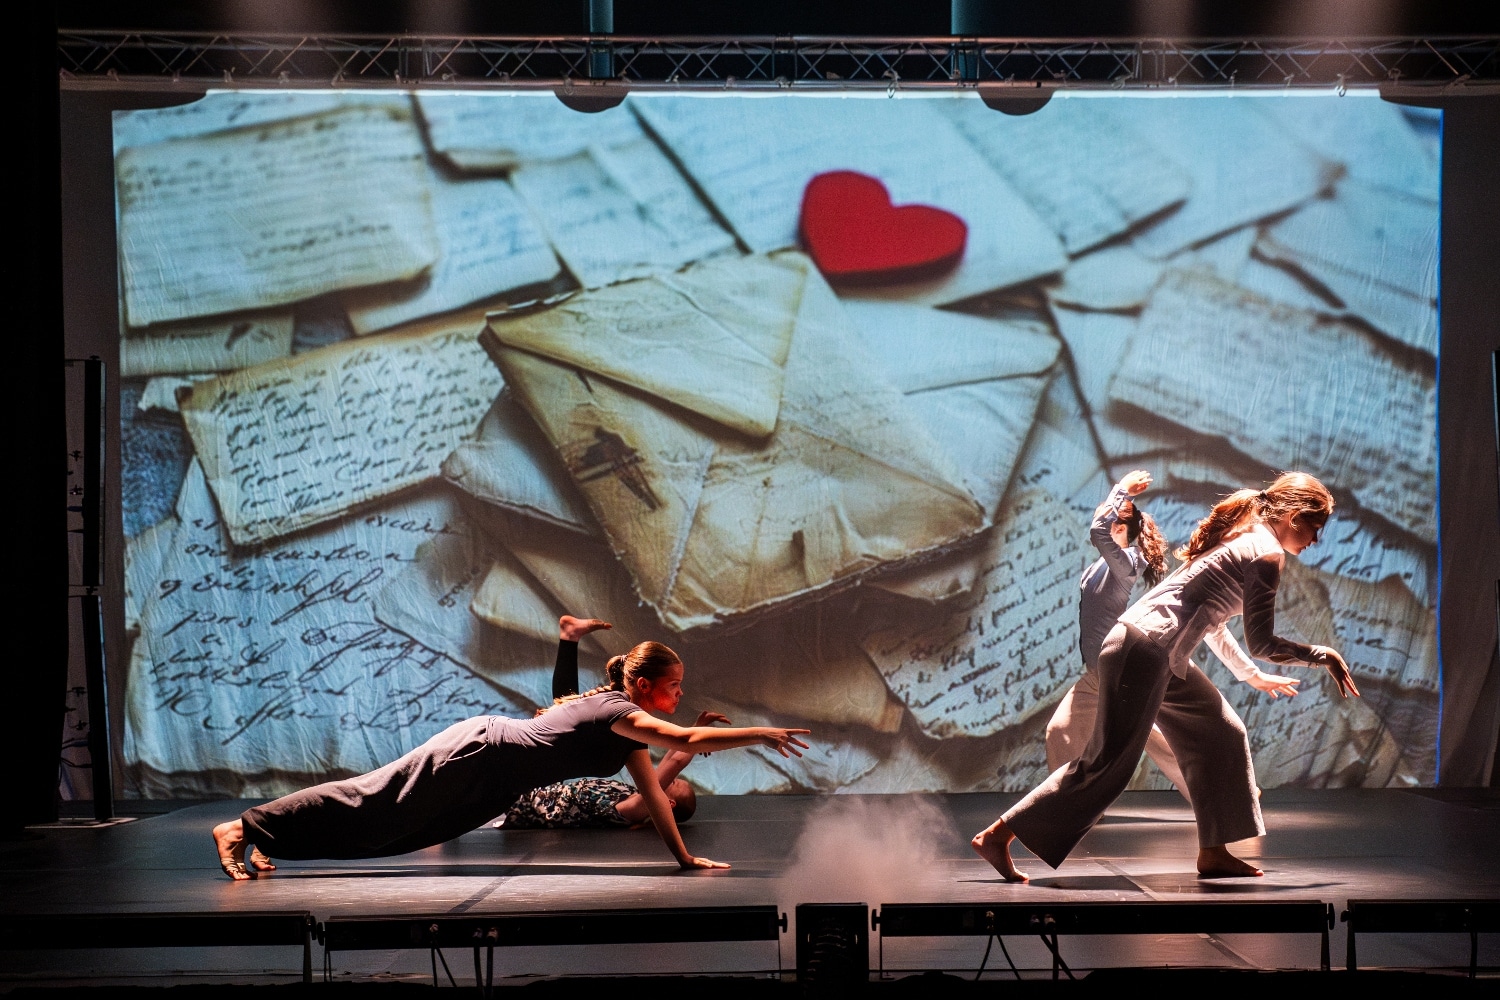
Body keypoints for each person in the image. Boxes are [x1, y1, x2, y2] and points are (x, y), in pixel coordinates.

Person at [973, 472, 1360, 882]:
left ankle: (1214, 850)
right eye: (1315, 528)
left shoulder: (1245, 537)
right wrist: (1323, 655)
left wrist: (1251, 676)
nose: (1316, 540)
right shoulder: (1264, 553)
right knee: (1108, 766)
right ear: (1295, 516)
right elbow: (1262, 642)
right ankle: (998, 835)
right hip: (1144, 649)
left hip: (1156, 651)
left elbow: (1212, 623)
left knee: (1221, 732)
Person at [211, 617, 811, 879]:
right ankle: (243, 826)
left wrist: (682, 860)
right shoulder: (618, 710)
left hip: (491, 781)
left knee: (385, 834)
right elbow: (683, 740)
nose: (679, 697)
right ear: (644, 685)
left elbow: (654, 794)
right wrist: (763, 731)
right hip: (478, 753)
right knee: (374, 803)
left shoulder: (623, 724)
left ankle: (267, 839)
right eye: (674, 686)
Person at [1045, 471, 1302, 803]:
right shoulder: (1101, 565)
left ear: (1120, 529)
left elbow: (1098, 530)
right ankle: (1067, 803)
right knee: (1065, 731)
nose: (1103, 513)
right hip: (1100, 671)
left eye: (1111, 514)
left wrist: (1121, 491)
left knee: (1162, 740)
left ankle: (1229, 793)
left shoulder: (1125, 563)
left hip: (1126, 666)